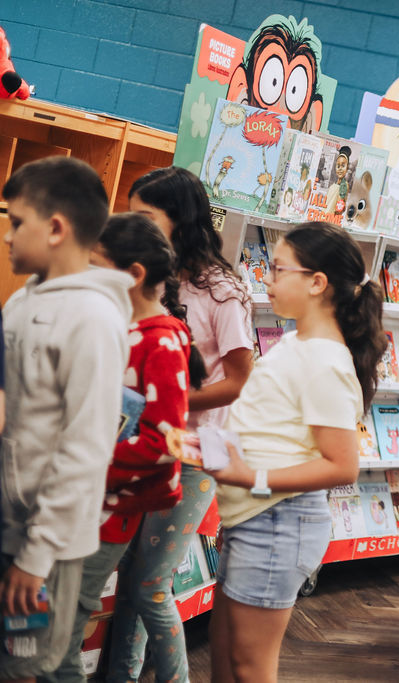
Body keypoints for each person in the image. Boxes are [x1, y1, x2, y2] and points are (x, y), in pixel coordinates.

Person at [203, 222, 387, 680]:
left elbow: (342, 465)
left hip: (276, 521)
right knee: (225, 656)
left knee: (249, 665)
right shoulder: (297, 343)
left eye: (278, 268)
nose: (266, 277)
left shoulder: (325, 360)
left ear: (317, 282)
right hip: (256, 519)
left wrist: (253, 480)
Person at [44, 214, 207, 683]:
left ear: (133, 275)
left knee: (58, 643)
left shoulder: (162, 344)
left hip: (107, 512)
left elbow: (163, 440)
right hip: (75, 502)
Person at [107, 166, 253, 680]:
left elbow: (237, 379)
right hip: (144, 442)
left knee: (150, 582)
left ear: (180, 220)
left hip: (195, 450)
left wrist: (175, 398)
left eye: (145, 215)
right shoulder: (150, 275)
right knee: (130, 577)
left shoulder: (220, 290)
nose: (134, 224)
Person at [0, 157, 131, 681]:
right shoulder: (22, 301)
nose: (7, 236)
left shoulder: (95, 319)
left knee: (24, 666)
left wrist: (37, 555)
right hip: (10, 528)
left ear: (56, 228)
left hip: (44, 549)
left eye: (15, 222)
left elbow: (85, 448)